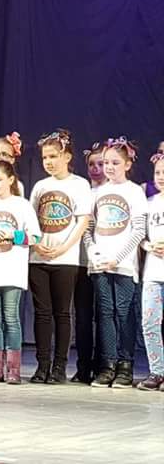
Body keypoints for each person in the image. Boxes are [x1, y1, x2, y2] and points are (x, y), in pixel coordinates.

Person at [28, 129, 91, 384]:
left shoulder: (79, 184)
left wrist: (63, 248)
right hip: (39, 258)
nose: (49, 162)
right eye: (45, 157)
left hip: (65, 259)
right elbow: (31, 220)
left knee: (62, 313)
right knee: (42, 313)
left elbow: (82, 221)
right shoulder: (40, 186)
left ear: (67, 156)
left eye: (53, 156)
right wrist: (37, 243)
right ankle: (42, 365)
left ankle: (59, 367)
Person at [84, 137, 147, 388]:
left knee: (124, 313)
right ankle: (108, 364)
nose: (109, 167)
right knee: (105, 313)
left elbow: (139, 230)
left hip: (123, 265)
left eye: (115, 163)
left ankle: (125, 365)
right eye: (105, 162)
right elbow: (88, 228)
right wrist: (94, 253)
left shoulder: (134, 191)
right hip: (100, 263)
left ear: (128, 164)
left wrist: (117, 258)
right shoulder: (97, 192)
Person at [0, 161, 41, 384]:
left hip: (12, 269)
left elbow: (35, 237)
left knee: (11, 317)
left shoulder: (22, 205)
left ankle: (13, 369)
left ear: (11, 180)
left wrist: (13, 235)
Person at [70, 142, 106, 383]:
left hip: (104, 263)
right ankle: (83, 366)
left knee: (103, 316)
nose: (96, 168)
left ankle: (103, 364)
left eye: (100, 164)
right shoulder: (84, 190)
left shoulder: (113, 192)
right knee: (83, 317)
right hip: (82, 262)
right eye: (92, 164)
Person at [138, 152, 164, 390]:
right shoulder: (149, 203)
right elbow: (141, 236)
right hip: (153, 272)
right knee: (149, 322)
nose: (161, 177)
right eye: (158, 173)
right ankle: (157, 371)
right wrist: (148, 246)